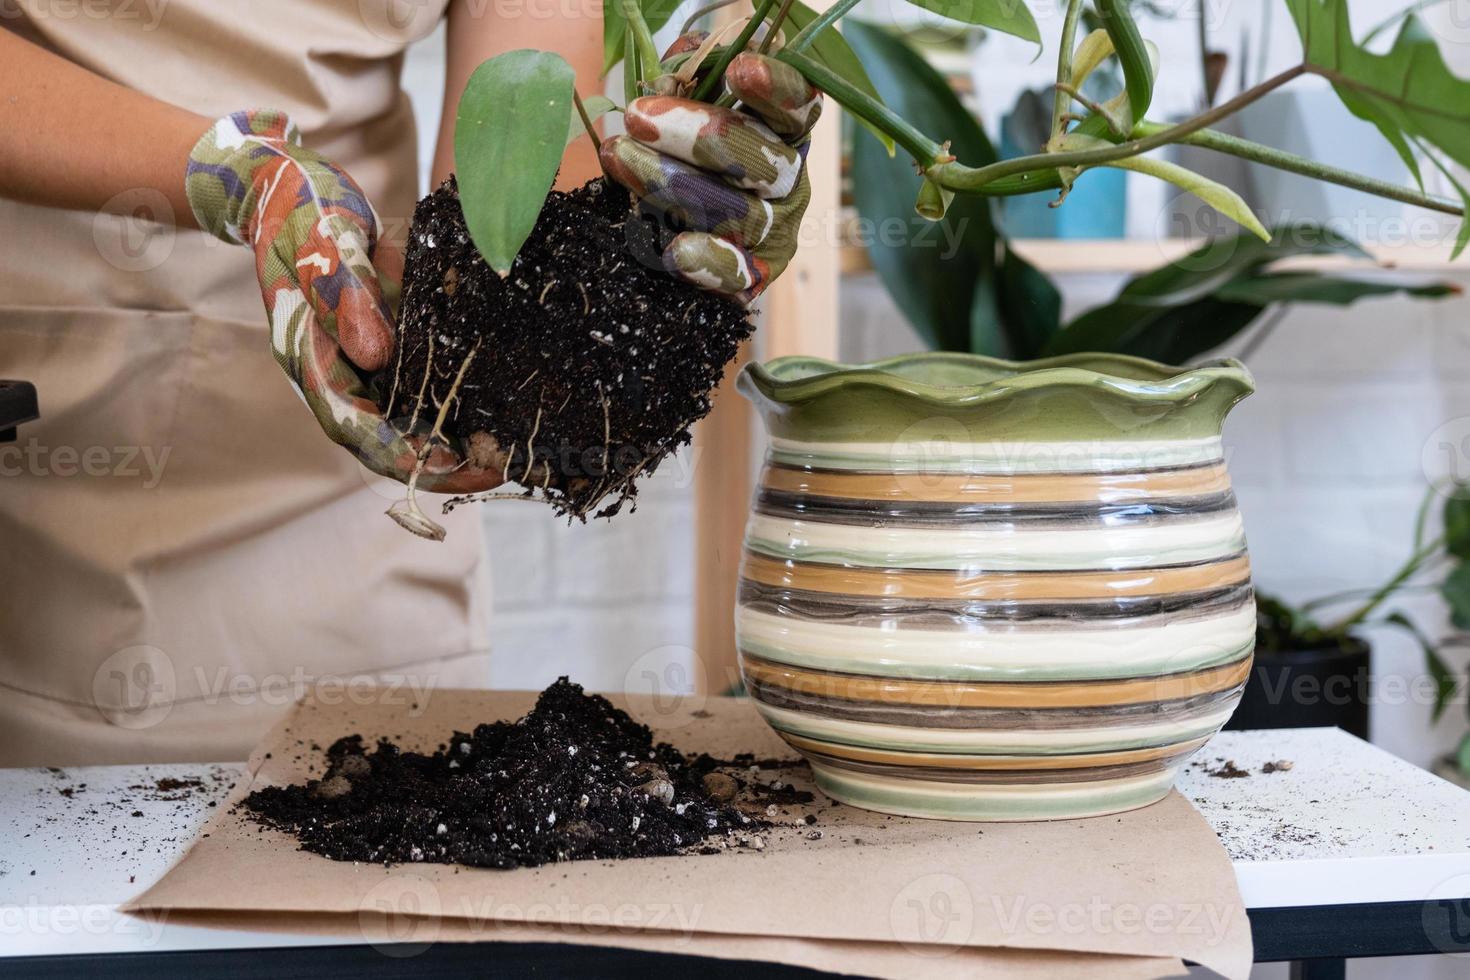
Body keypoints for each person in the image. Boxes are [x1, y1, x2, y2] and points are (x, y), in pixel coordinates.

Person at [0, 2, 818, 767]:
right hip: (52, 522)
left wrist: (647, 218)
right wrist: (242, 175)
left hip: (364, 525)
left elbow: (519, 130)